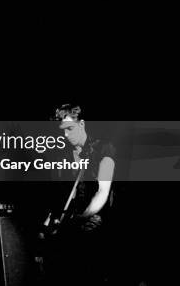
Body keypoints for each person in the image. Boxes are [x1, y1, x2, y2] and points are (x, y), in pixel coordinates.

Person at [41, 104, 116, 286]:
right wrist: (47, 225)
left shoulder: (104, 149)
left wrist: (83, 218)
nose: (66, 135)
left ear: (81, 124)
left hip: (98, 230)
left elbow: (102, 191)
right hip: (68, 235)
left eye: (70, 129)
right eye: (62, 131)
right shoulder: (60, 157)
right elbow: (56, 198)